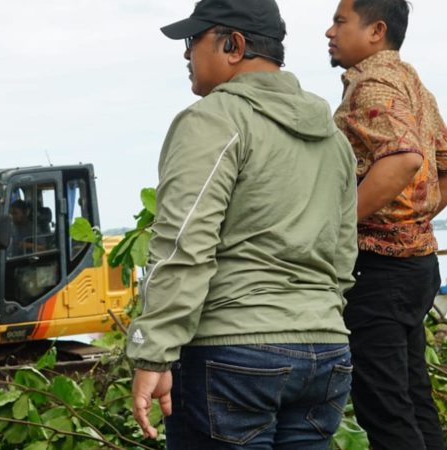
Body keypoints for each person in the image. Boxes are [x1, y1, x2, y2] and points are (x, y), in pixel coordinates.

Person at [126, 0, 358, 448]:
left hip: (234, 355)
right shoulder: (333, 138)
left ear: (233, 45)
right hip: (326, 353)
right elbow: (343, 255)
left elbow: (183, 245)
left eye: (194, 41)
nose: (186, 55)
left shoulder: (213, 120)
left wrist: (152, 353)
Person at [325, 1, 447, 448]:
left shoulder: (371, 85)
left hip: (379, 272)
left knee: (384, 410)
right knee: (412, 398)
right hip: (417, 267)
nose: (328, 32)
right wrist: (411, 224)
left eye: (339, 21)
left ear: (376, 31)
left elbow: (405, 159)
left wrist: (337, 228)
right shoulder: (411, 83)